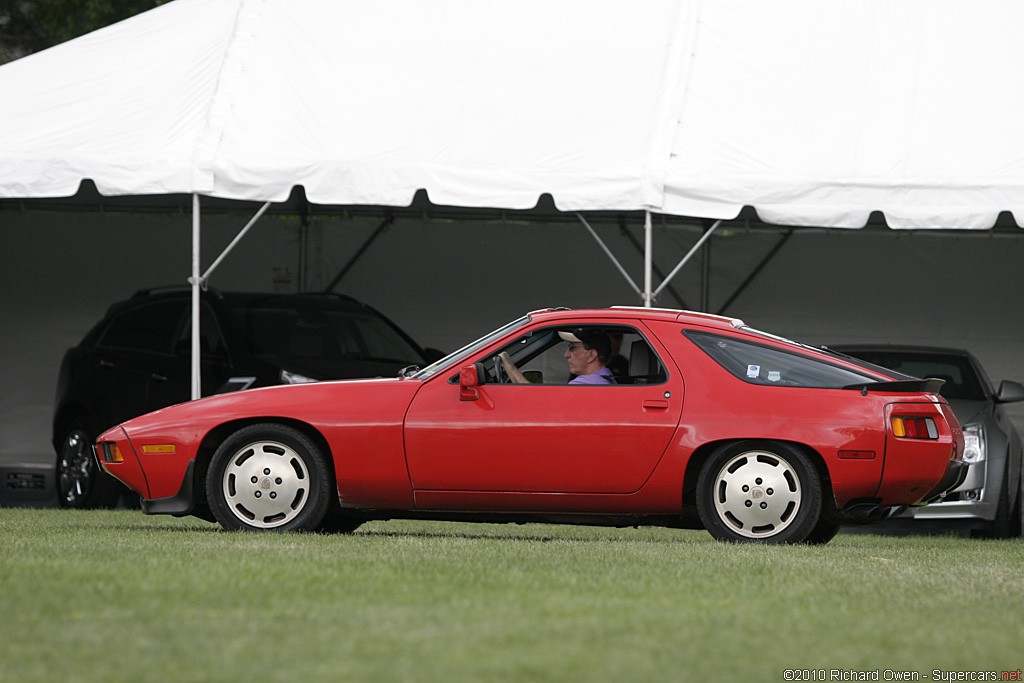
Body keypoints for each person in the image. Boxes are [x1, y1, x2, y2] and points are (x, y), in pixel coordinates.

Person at [499, 328, 616, 385]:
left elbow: (534, 401)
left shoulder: (585, 384)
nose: (566, 355)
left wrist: (507, 364)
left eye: (572, 347)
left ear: (591, 355)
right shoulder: (606, 380)